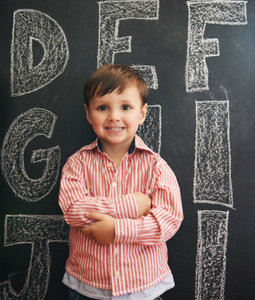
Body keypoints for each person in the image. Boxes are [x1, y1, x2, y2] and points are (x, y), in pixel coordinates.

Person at [59, 64, 183, 300]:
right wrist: (128, 205)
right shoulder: (77, 164)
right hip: (87, 287)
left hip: (143, 288)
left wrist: (117, 230)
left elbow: (167, 222)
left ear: (142, 113)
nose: (114, 116)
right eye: (103, 107)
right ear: (88, 114)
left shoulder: (157, 167)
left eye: (125, 107)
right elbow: (74, 211)